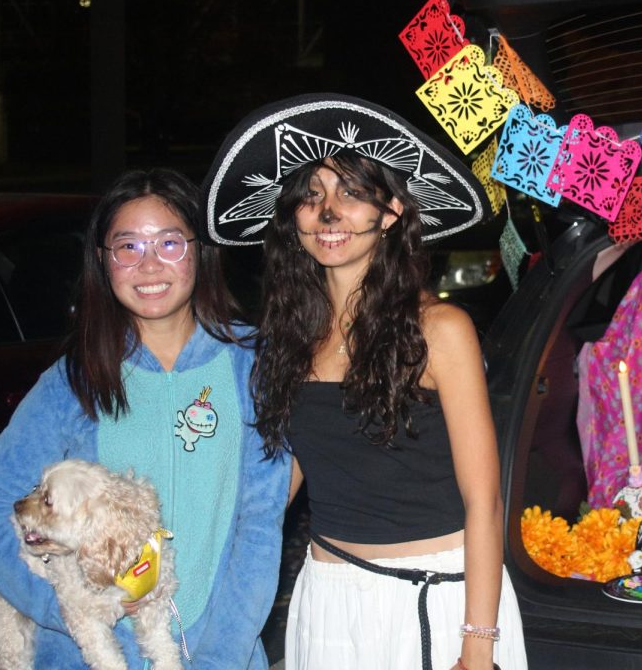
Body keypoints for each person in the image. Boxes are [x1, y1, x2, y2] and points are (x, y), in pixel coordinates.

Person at [202, 94, 527, 670]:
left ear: (393, 210)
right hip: (326, 597)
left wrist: (478, 644)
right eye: (311, 195)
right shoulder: (289, 338)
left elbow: (485, 499)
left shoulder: (442, 330)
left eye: (351, 193)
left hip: (431, 600)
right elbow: (294, 468)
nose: (328, 213)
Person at [0, 168, 289, 668]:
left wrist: (221, 655)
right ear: (102, 261)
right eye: (127, 247)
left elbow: (259, 526)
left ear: (201, 251)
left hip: (218, 650)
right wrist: (64, 607)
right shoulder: (75, 379)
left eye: (170, 243)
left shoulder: (251, 366)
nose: (149, 265)